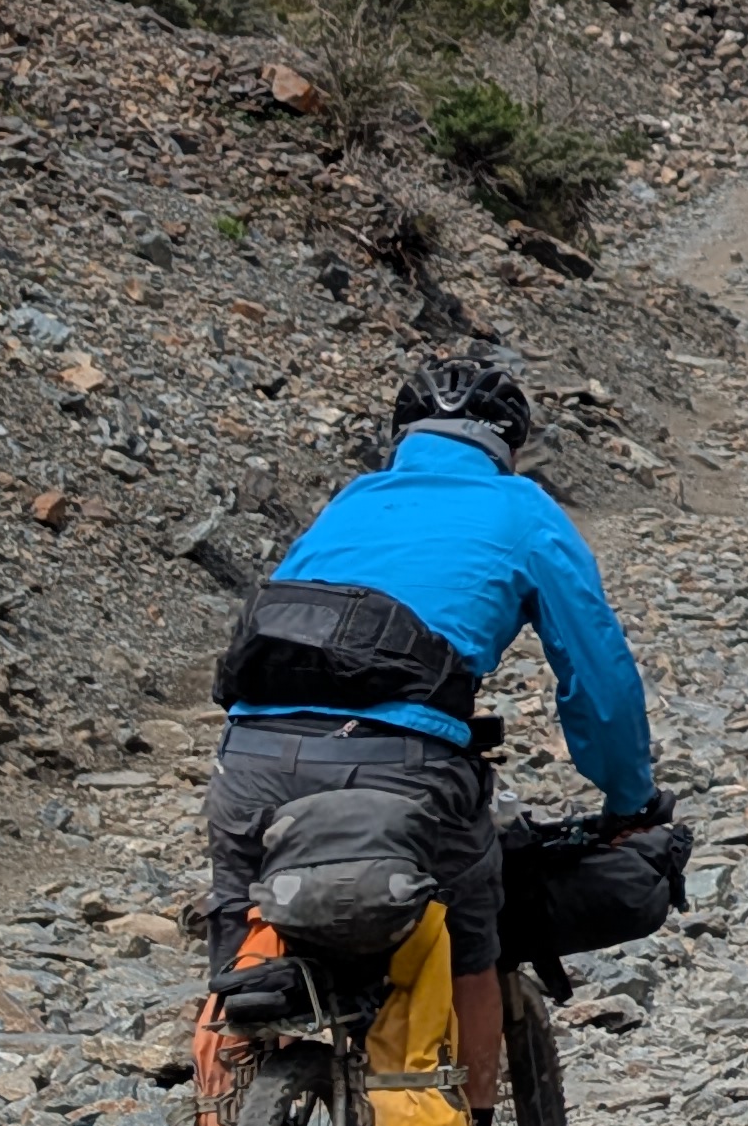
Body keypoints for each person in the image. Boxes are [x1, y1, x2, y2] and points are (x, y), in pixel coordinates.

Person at [202, 339, 661, 1038]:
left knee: (241, 942)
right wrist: (629, 798)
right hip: (405, 764)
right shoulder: (523, 509)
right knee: (474, 943)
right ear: (507, 446)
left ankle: (217, 1107)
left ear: (404, 439)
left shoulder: (351, 501)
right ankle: (475, 1110)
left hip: (250, 758)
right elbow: (598, 674)